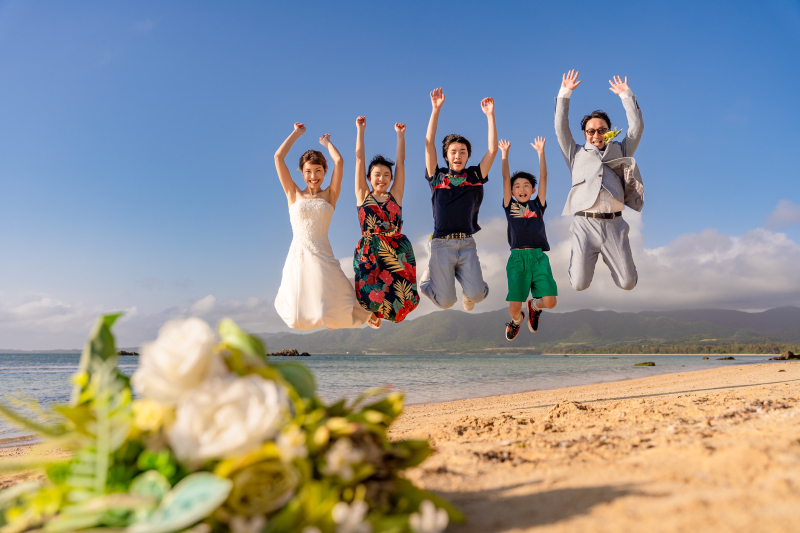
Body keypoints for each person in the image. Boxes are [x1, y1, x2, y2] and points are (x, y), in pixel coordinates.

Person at [273, 122, 377, 330]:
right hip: (298, 256)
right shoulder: (293, 193)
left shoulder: (330, 195)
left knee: (327, 310)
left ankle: (365, 312)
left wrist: (327, 142)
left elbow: (340, 161)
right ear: (301, 172)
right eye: (308, 171)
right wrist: (296, 134)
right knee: (294, 317)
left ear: (325, 171)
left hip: (322, 254)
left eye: (318, 171)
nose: (313, 176)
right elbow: (278, 157)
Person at [555, 70, 645, 292]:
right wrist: (564, 93)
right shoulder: (575, 153)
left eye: (602, 130)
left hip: (615, 224)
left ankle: (614, 257)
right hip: (585, 224)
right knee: (579, 284)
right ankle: (582, 261)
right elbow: (560, 127)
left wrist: (626, 95)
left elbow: (637, 128)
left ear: (609, 132)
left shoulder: (620, 150)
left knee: (628, 283)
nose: (596, 135)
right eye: (591, 131)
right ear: (585, 134)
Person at [419, 87, 498, 311]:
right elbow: (428, 144)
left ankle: (469, 292)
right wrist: (435, 111)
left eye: (462, 151)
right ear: (446, 156)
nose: (458, 155)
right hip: (441, 244)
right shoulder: (437, 176)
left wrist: (490, 116)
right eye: (453, 151)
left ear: (468, 156)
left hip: (466, 243)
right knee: (445, 303)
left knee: (477, 294)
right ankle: (426, 283)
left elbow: (492, 151)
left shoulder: (475, 175)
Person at [352, 116, 420, 324]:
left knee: (401, 294)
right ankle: (374, 314)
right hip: (369, 249)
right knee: (367, 289)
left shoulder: (396, 195)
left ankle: (382, 315)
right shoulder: (363, 195)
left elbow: (400, 162)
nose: (381, 179)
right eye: (377, 175)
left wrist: (401, 137)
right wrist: (360, 130)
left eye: (386, 175)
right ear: (369, 178)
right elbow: (360, 160)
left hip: (396, 248)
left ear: (391, 178)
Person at [498, 137, 558, 341]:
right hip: (517, 260)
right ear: (513, 192)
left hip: (538, 257)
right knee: (513, 309)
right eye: (517, 186)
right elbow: (505, 177)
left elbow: (544, 175)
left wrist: (541, 153)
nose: (522, 189)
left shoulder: (538, 205)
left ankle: (534, 305)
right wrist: (504, 155)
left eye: (526, 186)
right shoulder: (510, 206)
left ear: (532, 190)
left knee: (550, 302)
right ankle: (517, 321)